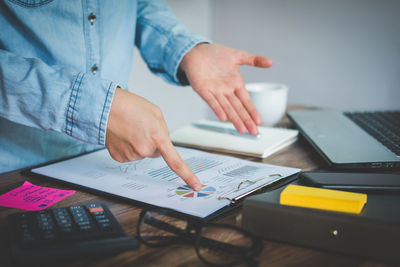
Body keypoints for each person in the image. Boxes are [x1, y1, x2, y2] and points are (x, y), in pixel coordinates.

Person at [0, 0, 272, 191]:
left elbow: (137, 4)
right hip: (14, 171)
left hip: (104, 164)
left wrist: (186, 49)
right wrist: (95, 110)